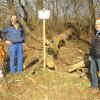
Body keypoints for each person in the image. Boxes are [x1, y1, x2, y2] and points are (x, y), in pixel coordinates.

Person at [89, 18, 100, 92]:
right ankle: (94, 86)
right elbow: (92, 45)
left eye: (98, 24)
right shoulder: (95, 33)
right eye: (96, 24)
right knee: (93, 72)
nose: (96, 25)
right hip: (93, 56)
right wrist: (90, 55)